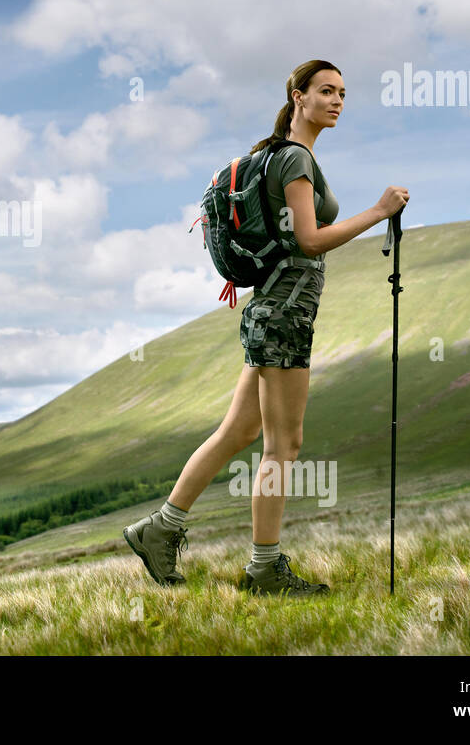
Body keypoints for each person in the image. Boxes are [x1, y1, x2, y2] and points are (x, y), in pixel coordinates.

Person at [123, 59, 409, 596]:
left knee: (239, 433)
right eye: (325, 91)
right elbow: (309, 239)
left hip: (270, 310)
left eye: (343, 93)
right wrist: (377, 211)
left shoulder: (272, 155)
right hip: (283, 316)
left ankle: (159, 529)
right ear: (298, 97)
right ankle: (264, 568)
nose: (337, 101)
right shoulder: (295, 159)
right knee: (284, 446)